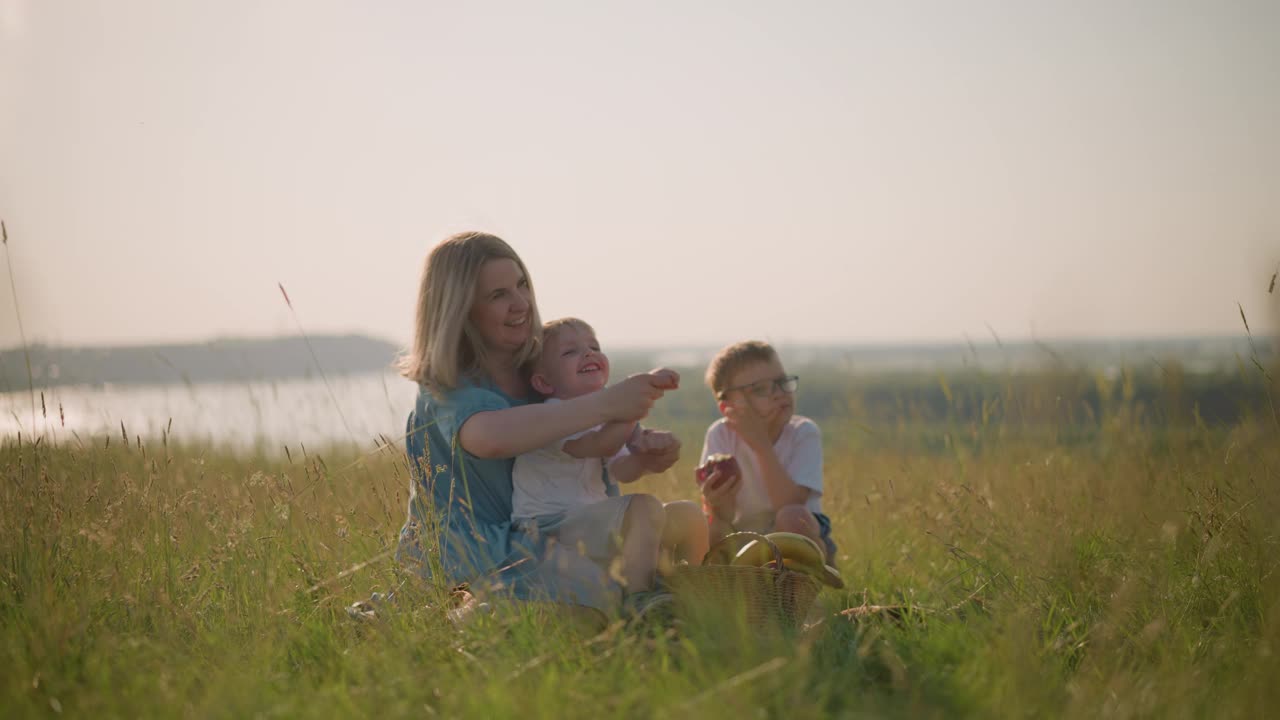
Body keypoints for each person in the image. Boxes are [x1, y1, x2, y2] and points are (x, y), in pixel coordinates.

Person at [394, 231, 682, 620]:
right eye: (498, 296)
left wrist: (643, 456)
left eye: (522, 285)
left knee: (679, 522)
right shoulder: (448, 388)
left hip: (550, 531)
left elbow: (576, 468)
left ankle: (656, 612)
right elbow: (490, 437)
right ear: (461, 309)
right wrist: (607, 403)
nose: (520, 304)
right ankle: (459, 618)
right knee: (599, 602)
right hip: (478, 549)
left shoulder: (541, 371)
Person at [511, 317, 709, 595]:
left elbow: (622, 471)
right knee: (644, 508)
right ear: (544, 383)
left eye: (593, 346)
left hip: (591, 521)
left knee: (688, 514)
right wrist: (635, 406)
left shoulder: (607, 416)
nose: (588, 353)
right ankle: (639, 602)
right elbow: (598, 445)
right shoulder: (551, 414)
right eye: (570, 351)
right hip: (548, 529)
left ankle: (692, 592)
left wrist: (644, 453)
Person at [697, 340, 837, 563]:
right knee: (707, 527)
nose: (779, 393)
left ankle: (803, 588)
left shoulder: (802, 432)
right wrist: (716, 500)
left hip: (798, 536)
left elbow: (791, 502)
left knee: (792, 516)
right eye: (761, 389)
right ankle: (725, 590)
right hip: (743, 535)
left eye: (782, 382)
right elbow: (723, 516)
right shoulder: (721, 435)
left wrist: (760, 445)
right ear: (728, 407)